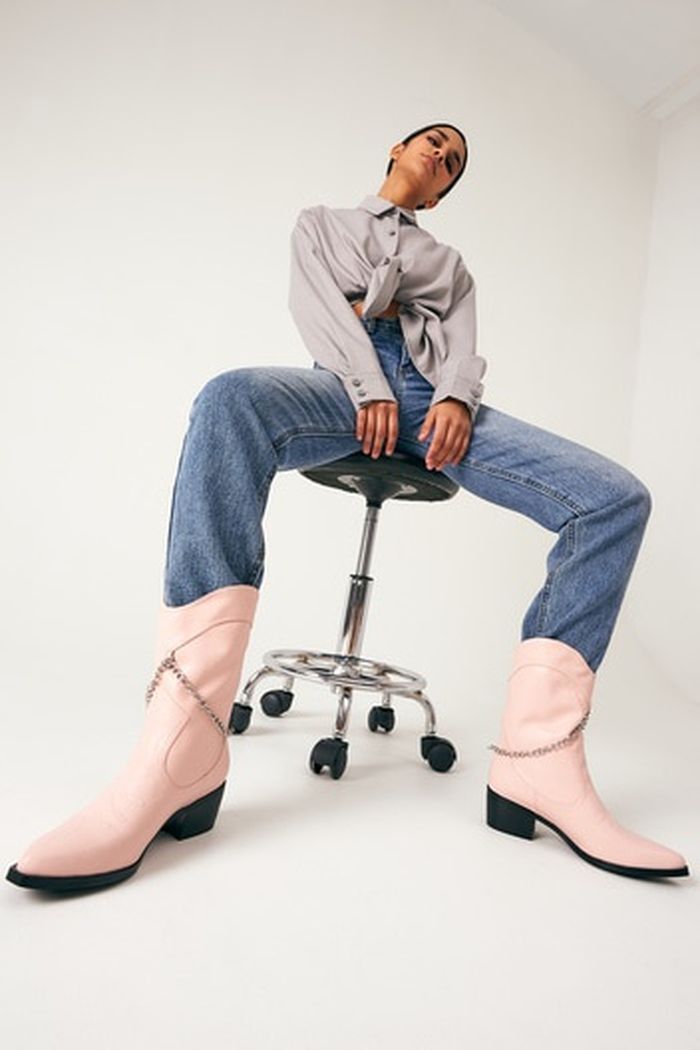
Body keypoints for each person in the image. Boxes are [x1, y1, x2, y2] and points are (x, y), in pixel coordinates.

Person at [6, 122, 689, 893]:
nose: (441, 156)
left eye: (453, 163)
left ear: (442, 194)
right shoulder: (322, 224)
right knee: (230, 400)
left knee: (613, 500)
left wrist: (457, 397)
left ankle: (540, 764)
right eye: (434, 143)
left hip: (434, 405)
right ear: (397, 151)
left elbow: (460, 343)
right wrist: (367, 384)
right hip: (338, 389)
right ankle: (179, 751)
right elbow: (323, 311)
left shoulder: (450, 265)